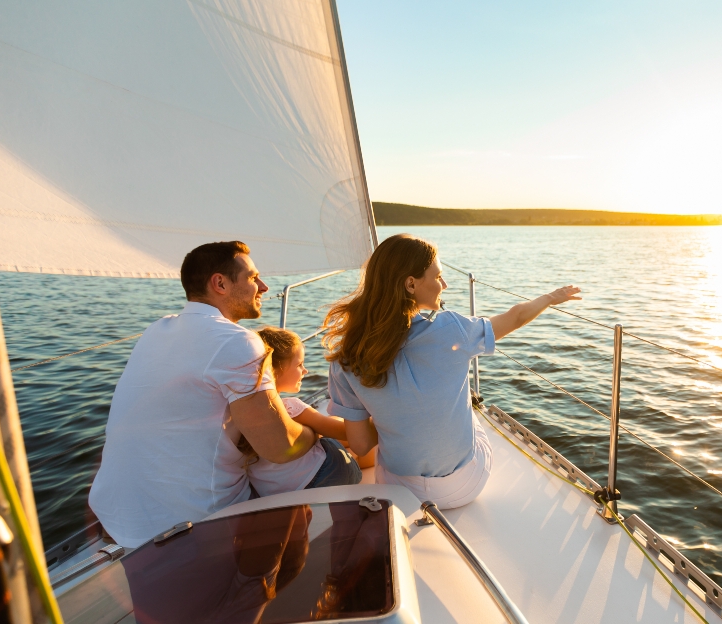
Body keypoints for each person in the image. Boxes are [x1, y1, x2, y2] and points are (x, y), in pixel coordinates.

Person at [89, 241, 358, 549]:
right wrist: (315, 433)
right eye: (253, 277)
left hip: (117, 514)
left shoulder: (157, 329)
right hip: (196, 520)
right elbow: (279, 446)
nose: (264, 286)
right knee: (335, 458)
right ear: (220, 283)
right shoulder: (237, 341)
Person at [323, 234, 580, 508]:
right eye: (438, 277)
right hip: (464, 485)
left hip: (399, 491)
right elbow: (514, 317)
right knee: (469, 407)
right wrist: (551, 297)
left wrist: (395, 418)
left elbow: (360, 446)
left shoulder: (346, 359)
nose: (444, 285)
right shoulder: (452, 329)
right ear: (411, 284)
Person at [243, 327, 371, 497]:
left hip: (272, 492)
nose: (305, 371)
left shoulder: (241, 413)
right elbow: (348, 433)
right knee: (350, 446)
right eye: (299, 365)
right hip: (326, 477)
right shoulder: (291, 408)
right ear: (275, 370)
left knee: (325, 428)